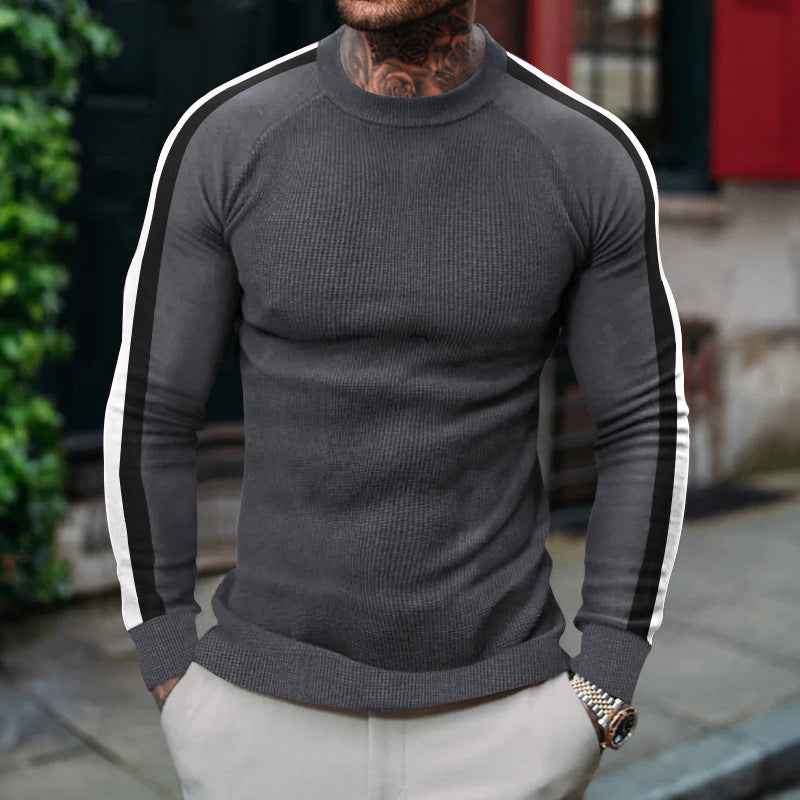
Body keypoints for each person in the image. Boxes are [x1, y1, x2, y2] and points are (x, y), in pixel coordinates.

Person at [102, 0, 690, 797]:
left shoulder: (585, 155)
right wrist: (170, 662)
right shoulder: (226, 136)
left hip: (506, 723)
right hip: (258, 723)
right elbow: (152, 410)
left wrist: (605, 684)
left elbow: (644, 423)